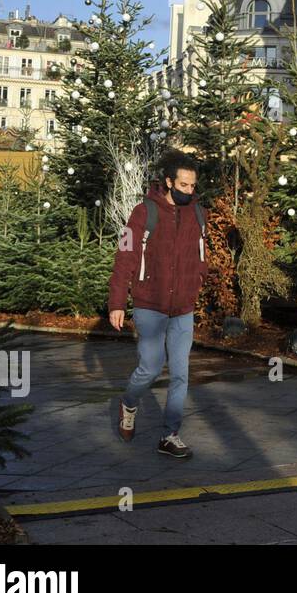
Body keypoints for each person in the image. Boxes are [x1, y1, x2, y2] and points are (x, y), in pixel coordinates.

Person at [107, 150, 209, 458]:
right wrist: (117, 302)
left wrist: (197, 283)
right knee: (150, 369)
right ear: (168, 182)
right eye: (183, 185)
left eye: (193, 186)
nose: (189, 191)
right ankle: (130, 402)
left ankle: (170, 435)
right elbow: (124, 256)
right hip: (150, 305)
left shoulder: (197, 213)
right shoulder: (143, 212)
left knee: (180, 374)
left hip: (182, 309)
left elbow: (203, 256)